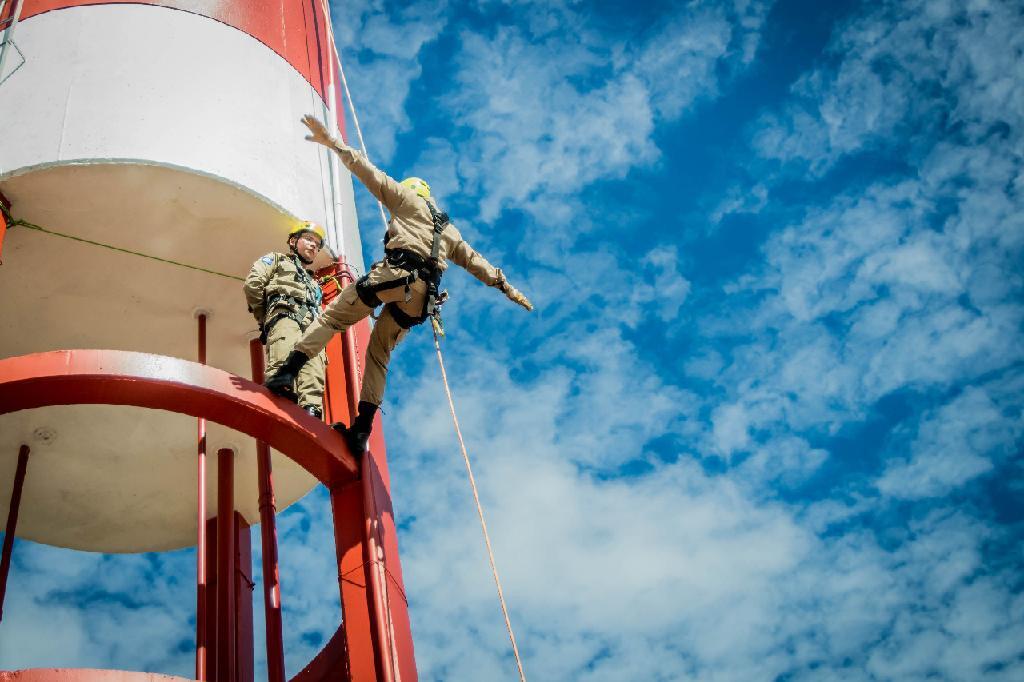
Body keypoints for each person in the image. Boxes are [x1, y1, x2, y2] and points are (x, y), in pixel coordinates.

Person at [265, 114, 533, 455]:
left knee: (332, 319)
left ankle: (287, 372)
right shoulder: (450, 232)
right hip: (420, 303)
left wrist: (334, 143)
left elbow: (370, 175)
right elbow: (479, 264)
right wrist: (510, 290)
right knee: (379, 357)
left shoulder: (408, 202)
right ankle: (361, 433)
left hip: (394, 276)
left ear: (411, 191)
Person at [244, 221, 327, 418]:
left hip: (312, 328)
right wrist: (265, 318)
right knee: (281, 369)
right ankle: (277, 400)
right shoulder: (276, 260)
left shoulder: (314, 284)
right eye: (308, 239)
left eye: (317, 243)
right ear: (293, 241)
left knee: (314, 372)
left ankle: (311, 412)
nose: (314, 245)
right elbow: (253, 285)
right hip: (285, 317)